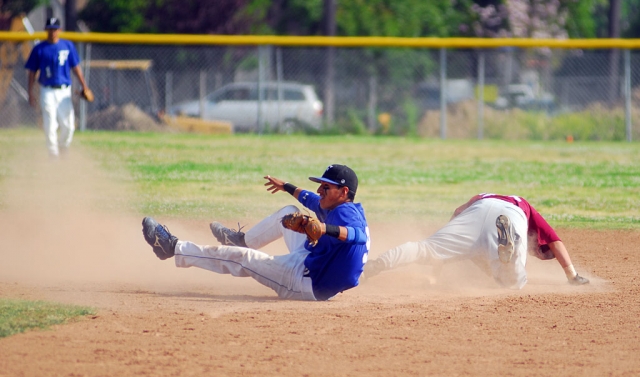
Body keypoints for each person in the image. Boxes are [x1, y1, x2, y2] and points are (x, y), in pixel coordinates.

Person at [142, 164, 370, 301]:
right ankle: (241, 240)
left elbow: (358, 236)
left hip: (305, 284)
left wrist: (322, 228)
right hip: (312, 261)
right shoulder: (340, 207)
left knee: (244, 259)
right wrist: (287, 186)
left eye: (326, 187)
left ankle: (172, 248)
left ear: (344, 191)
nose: (320, 190)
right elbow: (310, 199)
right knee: (289, 213)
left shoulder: (345, 216)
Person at [364, 193, 589, 289]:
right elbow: (557, 243)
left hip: (475, 211)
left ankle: (374, 266)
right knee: (514, 282)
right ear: (536, 245)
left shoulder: (483, 195)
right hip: (510, 214)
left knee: (426, 249)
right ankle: (508, 256)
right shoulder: (525, 209)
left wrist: (437, 264)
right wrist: (573, 276)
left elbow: (457, 211)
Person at [25, 17, 90, 158]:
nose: (52, 32)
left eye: (54, 29)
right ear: (45, 30)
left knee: (68, 125)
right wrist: (30, 92)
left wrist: (84, 85)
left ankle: (63, 146)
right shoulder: (39, 49)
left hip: (64, 91)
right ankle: (53, 153)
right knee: (50, 121)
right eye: (49, 29)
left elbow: (76, 68)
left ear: (59, 30)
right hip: (46, 90)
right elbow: (32, 72)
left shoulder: (68, 46)